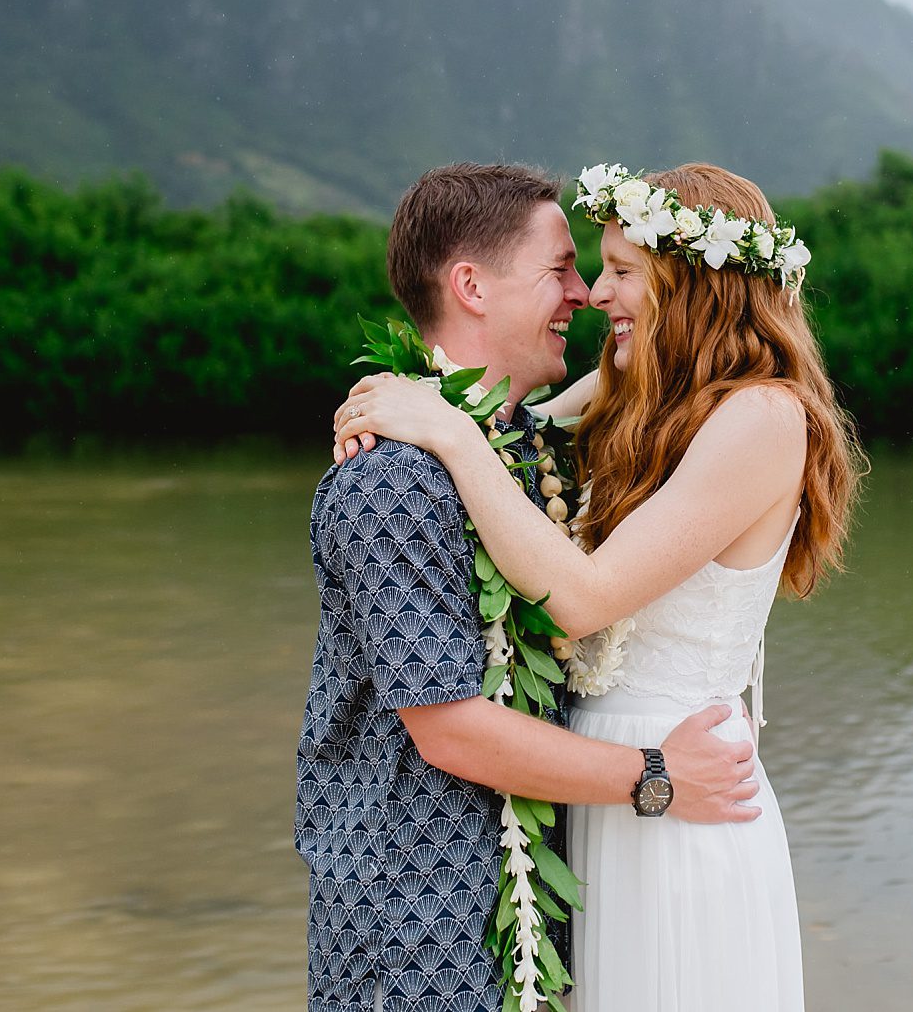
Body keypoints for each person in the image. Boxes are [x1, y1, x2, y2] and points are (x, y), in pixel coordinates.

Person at [334, 162, 862, 1012]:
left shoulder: (765, 417)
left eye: (621, 270)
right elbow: (511, 424)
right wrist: (403, 405)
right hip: (605, 788)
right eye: (590, 267)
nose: (595, 292)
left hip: (681, 788)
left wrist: (445, 435)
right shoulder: (638, 396)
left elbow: (579, 595)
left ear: (692, 282)